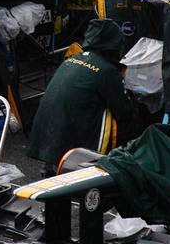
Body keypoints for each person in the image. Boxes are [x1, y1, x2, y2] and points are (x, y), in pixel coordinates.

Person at [28, 19, 143, 175]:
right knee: (123, 118)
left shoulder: (72, 59)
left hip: (44, 136)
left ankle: (53, 163)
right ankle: (121, 164)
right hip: (71, 137)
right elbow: (123, 112)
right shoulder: (107, 70)